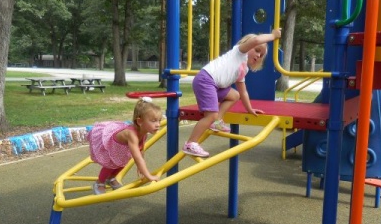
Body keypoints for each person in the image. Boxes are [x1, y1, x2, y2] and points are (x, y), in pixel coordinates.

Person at [182, 28, 282, 157]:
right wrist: (273, 36)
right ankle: (191, 143)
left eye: (261, 55)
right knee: (210, 115)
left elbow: (243, 91)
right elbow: (256, 40)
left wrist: (250, 109)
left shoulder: (243, 69)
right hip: (206, 80)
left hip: (215, 86)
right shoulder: (239, 52)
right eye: (257, 50)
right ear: (248, 45)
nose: (258, 55)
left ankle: (217, 121)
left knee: (235, 95)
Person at [88, 97, 162, 194]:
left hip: (121, 148)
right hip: (112, 144)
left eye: (159, 120)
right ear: (140, 122)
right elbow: (137, 158)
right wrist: (148, 175)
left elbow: (141, 151)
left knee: (122, 163)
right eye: (153, 121)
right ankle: (99, 182)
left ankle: (110, 179)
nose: (158, 124)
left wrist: (140, 168)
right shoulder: (131, 134)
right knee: (111, 164)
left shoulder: (144, 133)